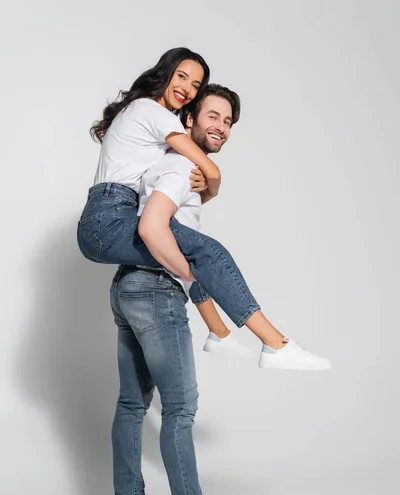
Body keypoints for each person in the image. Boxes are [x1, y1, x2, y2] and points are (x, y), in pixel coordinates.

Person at [78, 47, 331, 370]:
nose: (187, 88)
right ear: (165, 74)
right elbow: (208, 169)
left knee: (191, 250)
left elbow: (180, 199)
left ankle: (221, 333)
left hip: (109, 216)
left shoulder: (149, 119)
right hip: (110, 218)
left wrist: (202, 190)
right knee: (208, 253)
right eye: (181, 76)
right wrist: (213, 181)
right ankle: (274, 344)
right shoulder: (153, 112)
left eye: (196, 84)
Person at [109, 88, 261, 495]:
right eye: (211, 115)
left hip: (127, 285)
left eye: (229, 120)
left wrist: (210, 185)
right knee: (180, 409)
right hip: (155, 290)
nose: (221, 125)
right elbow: (153, 230)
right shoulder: (179, 164)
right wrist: (192, 279)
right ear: (187, 118)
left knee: (133, 403)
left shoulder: (169, 166)